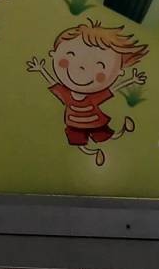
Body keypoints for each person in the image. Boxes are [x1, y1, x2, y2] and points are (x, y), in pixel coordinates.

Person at [26, 19, 147, 164]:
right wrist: (41, 69)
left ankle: (124, 129)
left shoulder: (93, 97)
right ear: (54, 53)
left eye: (100, 65)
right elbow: (53, 82)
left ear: (118, 72)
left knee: (109, 136)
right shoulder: (66, 95)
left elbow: (114, 88)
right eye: (70, 55)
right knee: (80, 144)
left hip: (96, 122)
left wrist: (132, 80)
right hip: (74, 124)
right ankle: (95, 153)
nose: (82, 67)